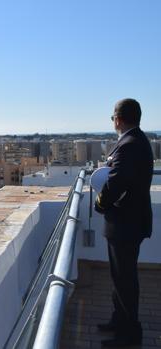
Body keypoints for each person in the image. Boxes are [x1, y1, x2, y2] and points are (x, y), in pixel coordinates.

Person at [94, 98, 153, 347]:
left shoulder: (128, 144)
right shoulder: (138, 140)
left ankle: (129, 335)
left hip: (125, 224)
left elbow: (116, 183)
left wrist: (100, 203)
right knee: (121, 277)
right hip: (130, 222)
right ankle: (119, 322)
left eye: (113, 118)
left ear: (118, 119)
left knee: (125, 280)